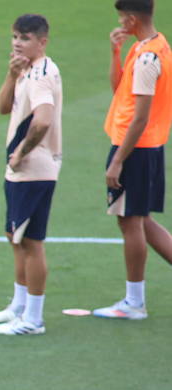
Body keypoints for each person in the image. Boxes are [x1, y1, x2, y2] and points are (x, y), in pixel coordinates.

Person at [96, 0, 172, 320]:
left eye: (120, 17)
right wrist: (115, 52)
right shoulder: (154, 46)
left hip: (135, 148)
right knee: (142, 220)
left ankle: (134, 302)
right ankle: (134, 300)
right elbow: (120, 89)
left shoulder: (147, 59)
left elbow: (139, 118)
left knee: (129, 222)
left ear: (130, 18)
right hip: (149, 147)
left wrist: (117, 162)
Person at [0, 14, 63, 336]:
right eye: (15, 37)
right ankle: (19, 306)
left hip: (34, 170)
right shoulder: (26, 70)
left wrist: (21, 153)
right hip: (20, 172)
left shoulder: (42, 74)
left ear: (42, 41)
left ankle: (33, 319)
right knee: (15, 237)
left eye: (25, 38)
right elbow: (3, 107)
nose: (18, 43)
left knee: (32, 243)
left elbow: (44, 120)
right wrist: (11, 74)